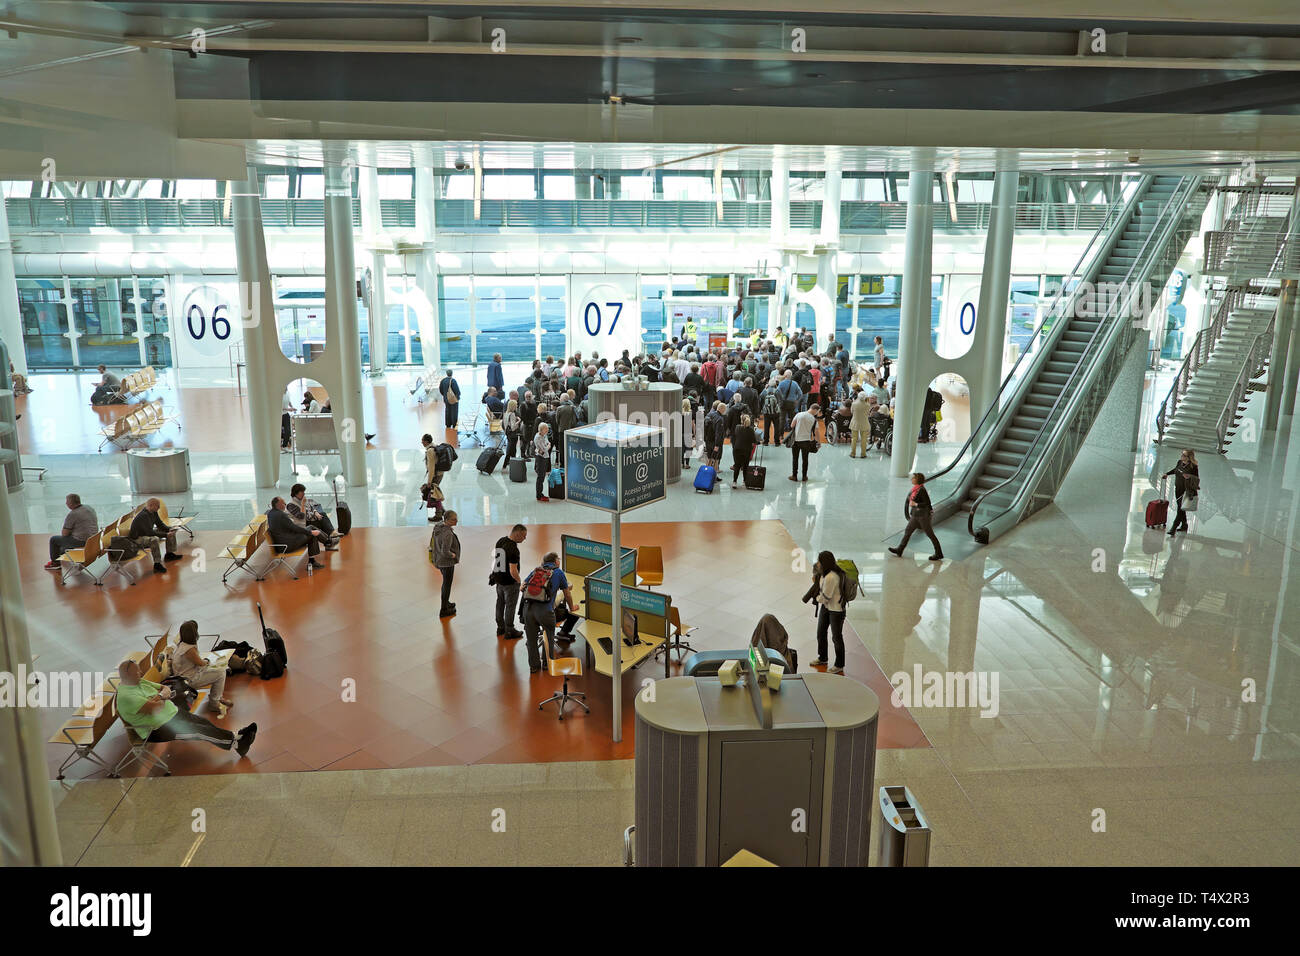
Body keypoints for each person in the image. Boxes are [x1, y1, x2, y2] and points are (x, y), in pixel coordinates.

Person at [115, 659, 257, 757]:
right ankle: (236, 742)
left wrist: (160, 697)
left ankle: (237, 740)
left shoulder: (138, 681)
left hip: (172, 713)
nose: (140, 674)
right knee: (200, 731)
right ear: (126, 675)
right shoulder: (126, 697)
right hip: (159, 728)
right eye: (136, 672)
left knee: (203, 723)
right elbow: (156, 708)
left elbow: (165, 687)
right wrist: (162, 697)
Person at [519, 551, 578, 674]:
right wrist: (572, 607)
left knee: (531, 640)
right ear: (556, 561)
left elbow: (522, 587)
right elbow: (567, 593)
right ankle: (547, 663)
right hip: (545, 612)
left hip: (528, 610)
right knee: (549, 637)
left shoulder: (536, 571)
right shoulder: (558, 572)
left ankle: (534, 666)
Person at [169, 620, 234, 719]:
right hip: (189, 680)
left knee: (216, 671)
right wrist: (207, 661)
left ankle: (217, 698)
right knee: (221, 673)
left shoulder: (181, 644)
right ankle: (214, 702)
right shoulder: (189, 650)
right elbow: (201, 663)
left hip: (183, 676)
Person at [804, 551, 847, 673]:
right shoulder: (824, 574)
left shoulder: (831, 577)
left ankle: (839, 664)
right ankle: (822, 657)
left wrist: (816, 598)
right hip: (827, 608)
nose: (817, 563)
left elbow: (825, 597)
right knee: (821, 633)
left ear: (825, 563)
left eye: (819, 561)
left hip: (836, 611)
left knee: (836, 637)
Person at [889, 473, 944, 561]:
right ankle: (900, 549)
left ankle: (939, 553)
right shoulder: (915, 489)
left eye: (913, 478)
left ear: (917, 479)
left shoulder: (922, 490)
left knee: (930, 534)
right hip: (915, 515)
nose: (911, 479)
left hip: (923, 516)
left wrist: (916, 504)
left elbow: (927, 503)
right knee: (908, 531)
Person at [267, 496, 326, 571]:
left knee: (310, 528)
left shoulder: (271, 513)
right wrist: (310, 532)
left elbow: (288, 527)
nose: (285, 504)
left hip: (282, 542)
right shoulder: (281, 515)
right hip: (287, 545)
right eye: (283, 502)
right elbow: (294, 528)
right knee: (311, 533)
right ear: (278, 505)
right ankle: (314, 559)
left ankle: (326, 541)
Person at [491, 524, 528, 639]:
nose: (524, 538)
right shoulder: (514, 550)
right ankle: (510, 630)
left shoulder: (500, 541)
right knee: (510, 606)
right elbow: (513, 570)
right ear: (517, 534)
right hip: (509, 583)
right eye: (523, 536)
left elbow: (497, 561)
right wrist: (519, 581)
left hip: (499, 580)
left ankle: (500, 627)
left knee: (500, 603)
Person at [128, 497, 182, 574]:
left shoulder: (153, 512)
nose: (159, 507)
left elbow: (159, 524)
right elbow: (149, 532)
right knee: (154, 539)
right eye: (157, 506)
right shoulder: (143, 516)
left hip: (146, 534)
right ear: (151, 505)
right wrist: (166, 535)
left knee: (170, 531)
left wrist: (169, 529)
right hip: (137, 538)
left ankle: (169, 554)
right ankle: (157, 564)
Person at [45, 493, 98, 570]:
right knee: (64, 545)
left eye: (67, 501)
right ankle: (59, 557)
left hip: (82, 541)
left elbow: (64, 534)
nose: (66, 503)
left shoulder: (73, 514)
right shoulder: (89, 508)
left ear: (71, 503)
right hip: (93, 538)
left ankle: (55, 563)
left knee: (54, 540)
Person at [287, 483, 339, 549]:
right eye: (302, 492)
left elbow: (310, 507)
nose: (304, 494)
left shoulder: (301, 500)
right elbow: (301, 516)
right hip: (303, 525)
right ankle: (330, 537)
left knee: (321, 516)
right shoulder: (291, 505)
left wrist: (315, 512)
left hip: (308, 521)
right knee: (322, 519)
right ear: (296, 493)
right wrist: (303, 504)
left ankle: (330, 538)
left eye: (304, 492)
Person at [430, 510, 461, 618]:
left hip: (439, 560)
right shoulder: (447, 533)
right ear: (447, 520)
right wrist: (453, 555)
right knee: (446, 585)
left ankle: (446, 603)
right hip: (447, 563)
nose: (456, 521)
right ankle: (444, 609)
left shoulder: (439, 526)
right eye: (453, 519)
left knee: (445, 584)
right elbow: (445, 551)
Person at [1163, 449, 1200, 536]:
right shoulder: (1179, 462)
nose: (1182, 456)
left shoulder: (1193, 467)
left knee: (1180, 509)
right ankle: (1184, 524)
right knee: (1181, 507)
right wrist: (1167, 474)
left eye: (1184, 455)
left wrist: (1189, 476)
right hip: (1178, 488)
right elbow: (1175, 470)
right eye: (1182, 454)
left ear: (1188, 457)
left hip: (1186, 490)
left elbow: (1197, 479)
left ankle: (1174, 527)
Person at [788, 405, 818, 483]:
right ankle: (804, 477)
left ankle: (794, 476)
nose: (817, 413)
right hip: (806, 441)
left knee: (795, 459)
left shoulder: (799, 414)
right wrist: (819, 443)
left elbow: (792, 425)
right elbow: (816, 432)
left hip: (796, 440)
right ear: (815, 410)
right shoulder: (814, 419)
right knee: (805, 459)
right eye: (817, 411)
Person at [730, 413, 756, 487]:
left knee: (737, 466)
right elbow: (754, 440)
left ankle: (734, 482)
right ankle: (745, 481)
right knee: (745, 466)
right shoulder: (751, 430)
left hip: (737, 449)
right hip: (746, 450)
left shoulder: (737, 427)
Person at [777, 370, 803, 440]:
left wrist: (780, 399)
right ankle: (793, 434)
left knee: (782, 419)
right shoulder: (795, 383)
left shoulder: (781, 383)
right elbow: (800, 393)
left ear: (785, 376)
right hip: (792, 403)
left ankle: (781, 435)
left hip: (783, 403)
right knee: (793, 419)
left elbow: (777, 391)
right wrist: (797, 401)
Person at [533, 421, 553, 502]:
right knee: (540, 477)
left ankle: (540, 494)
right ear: (541, 430)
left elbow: (548, 442)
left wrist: (547, 445)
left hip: (544, 457)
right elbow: (544, 449)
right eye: (546, 429)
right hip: (540, 458)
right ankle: (539, 495)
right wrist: (548, 446)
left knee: (542, 477)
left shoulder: (544, 435)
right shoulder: (537, 438)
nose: (547, 431)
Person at [849, 389, 872, 458]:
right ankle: (863, 454)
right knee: (864, 439)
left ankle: (853, 453)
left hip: (855, 422)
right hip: (864, 423)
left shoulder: (854, 404)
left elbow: (851, 412)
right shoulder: (867, 405)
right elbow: (868, 413)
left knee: (854, 439)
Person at [503, 398, 522, 463]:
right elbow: (513, 427)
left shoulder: (506, 413)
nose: (517, 406)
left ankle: (508, 463)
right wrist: (519, 421)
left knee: (510, 448)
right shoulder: (512, 414)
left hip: (508, 433)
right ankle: (510, 463)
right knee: (512, 449)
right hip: (513, 434)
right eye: (516, 405)